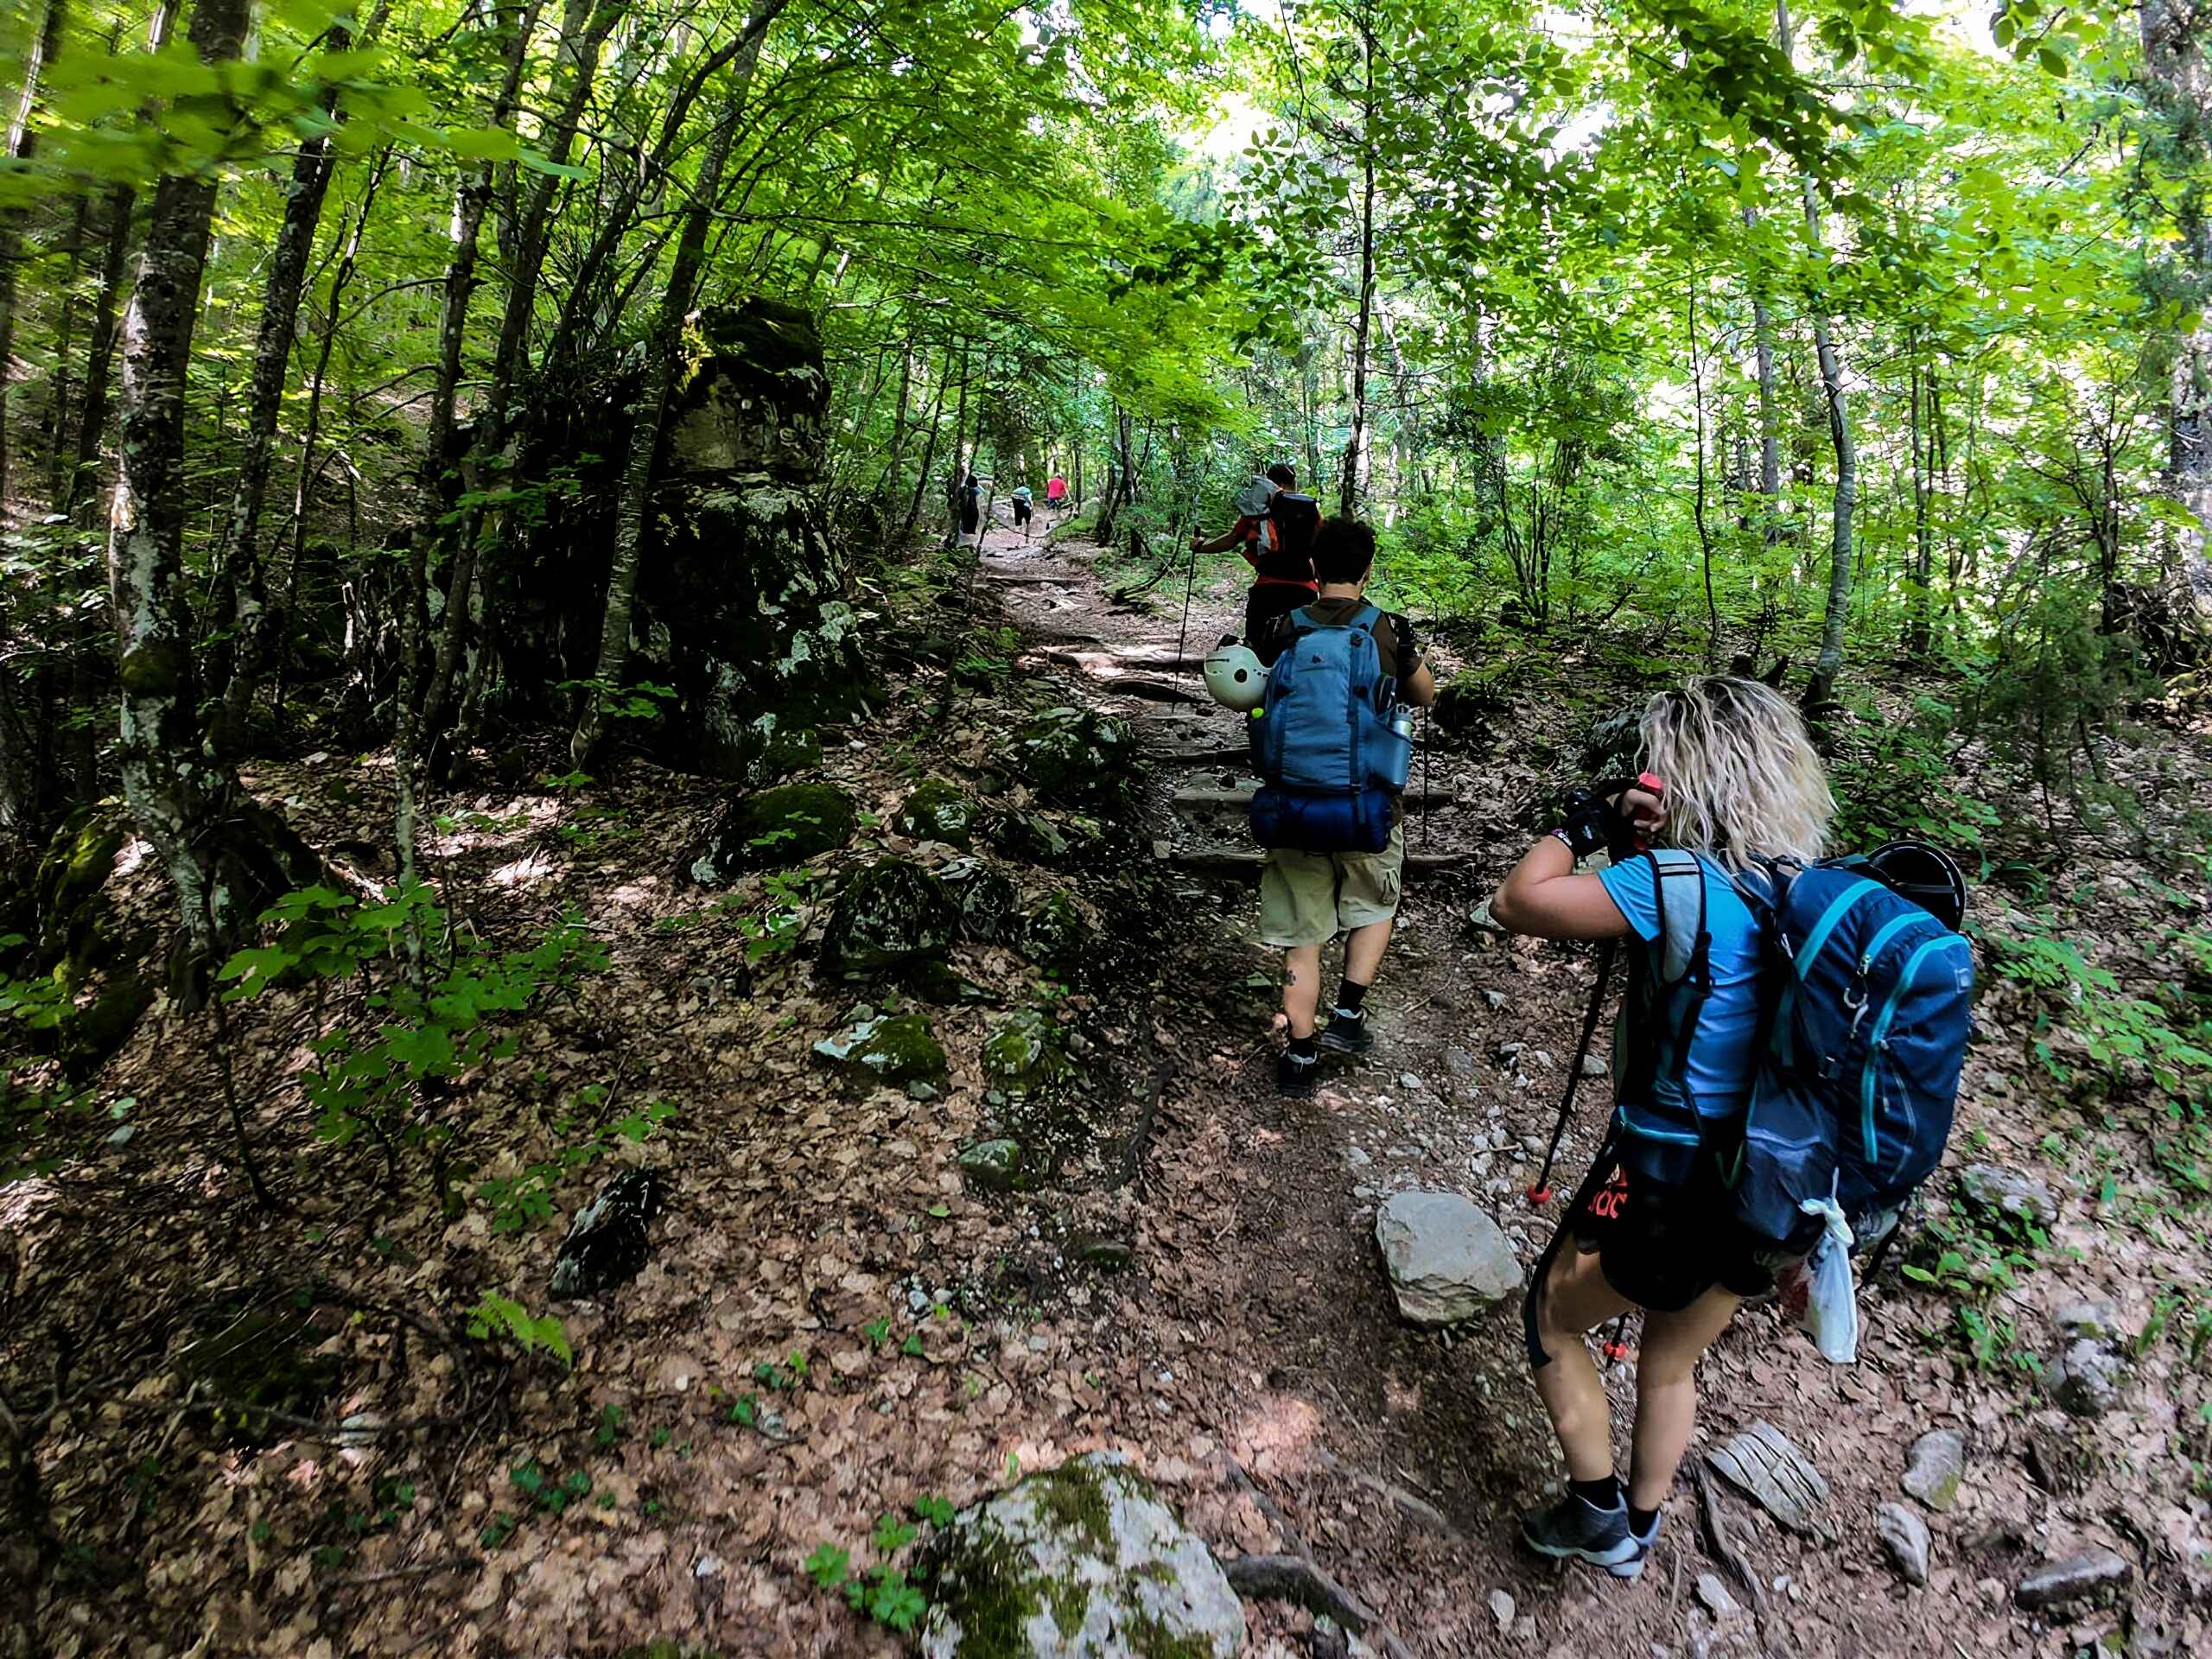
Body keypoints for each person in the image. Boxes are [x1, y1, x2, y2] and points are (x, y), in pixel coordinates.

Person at [1486, 677, 1835, 1580]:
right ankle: (1637, 1528)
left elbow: (1519, 901)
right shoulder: (1806, 894)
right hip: (1768, 1186)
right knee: (1671, 1359)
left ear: (1686, 770)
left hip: (1662, 1172)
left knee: (1553, 1318)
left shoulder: (1667, 879)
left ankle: (1597, 1515)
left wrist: (1585, 827)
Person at [1250, 518, 1435, 1096]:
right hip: (1369, 808)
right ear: (1369, 569)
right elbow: (1425, 696)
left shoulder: (1282, 628)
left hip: (1294, 806)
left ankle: (1301, 1054)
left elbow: (1253, 696)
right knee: (1374, 904)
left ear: (1311, 567)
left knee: (1303, 931)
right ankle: (1349, 1013)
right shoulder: (1387, 630)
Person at [1192, 462, 1321, 644]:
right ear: (1293, 483)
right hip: (1304, 590)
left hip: (1267, 589)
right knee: (1301, 647)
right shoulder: (1311, 510)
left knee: (1256, 645)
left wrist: (1200, 547)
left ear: (1270, 483)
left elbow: (1231, 540)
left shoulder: (1259, 512)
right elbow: (1322, 548)